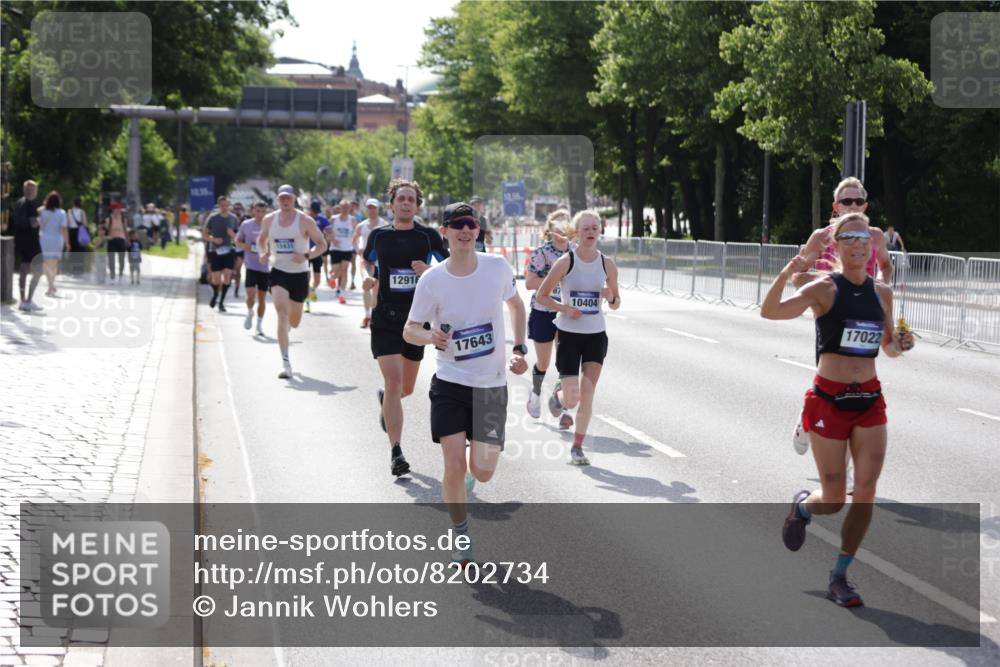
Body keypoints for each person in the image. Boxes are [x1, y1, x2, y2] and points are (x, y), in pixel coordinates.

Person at [762, 212, 915, 608]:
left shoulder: (882, 292)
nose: (860, 245)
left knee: (865, 492)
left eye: (865, 239)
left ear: (872, 246)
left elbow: (888, 348)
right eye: (850, 238)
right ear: (838, 245)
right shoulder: (823, 288)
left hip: (869, 401)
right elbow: (771, 311)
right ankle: (802, 506)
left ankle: (840, 576)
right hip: (828, 400)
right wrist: (787, 271)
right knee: (834, 498)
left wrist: (901, 343)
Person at [403, 201, 528, 566]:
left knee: (484, 471)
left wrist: (520, 348)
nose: (465, 230)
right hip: (450, 383)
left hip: (491, 385)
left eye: (471, 224)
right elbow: (410, 330)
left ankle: (472, 480)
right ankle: (460, 535)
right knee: (454, 464)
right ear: (444, 232)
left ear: (478, 230)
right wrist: (430, 338)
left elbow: (517, 306)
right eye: (457, 224)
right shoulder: (432, 279)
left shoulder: (496, 267)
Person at [790, 178, 893, 487]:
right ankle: (811, 414)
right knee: (832, 381)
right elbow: (798, 276)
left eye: (858, 202)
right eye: (846, 202)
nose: (853, 206)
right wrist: (823, 285)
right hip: (833, 311)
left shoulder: (875, 236)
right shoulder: (821, 237)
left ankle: (844, 461)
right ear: (835, 207)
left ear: (866, 206)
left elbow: (887, 266)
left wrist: (883, 288)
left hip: (865, 315)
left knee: (858, 388)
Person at [363, 179, 448, 477]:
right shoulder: (378, 236)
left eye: (411, 199)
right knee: (395, 383)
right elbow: (368, 261)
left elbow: (452, 268)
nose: (406, 203)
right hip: (385, 319)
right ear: (392, 204)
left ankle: (387, 402)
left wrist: (431, 271)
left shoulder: (427, 237)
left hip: (415, 321)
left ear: (417, 205)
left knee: (406, 389)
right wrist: (372, 280)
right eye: (401, 198)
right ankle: (396, 452)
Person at [535, 209, 621, 465]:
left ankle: (577, 447)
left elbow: (616, 302)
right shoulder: (566, 262)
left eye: (595, 227)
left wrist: (611, 297)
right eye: (586, 228)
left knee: (588, 393)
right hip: (570, 336)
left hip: (596, 335)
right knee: (572, 398)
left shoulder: (607, 264)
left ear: (600, 231)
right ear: (577, 232)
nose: (591, 232)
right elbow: (542, 295)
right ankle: (558, 396)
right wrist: (564, 308)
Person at [256, 185, 327, 379]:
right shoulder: (269, 220)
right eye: (282, 198)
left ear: (294, 198)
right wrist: (263, 253)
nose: (285, 201)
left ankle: (287, 326)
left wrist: (306, 255)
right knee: (281, 312)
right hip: (278, 271)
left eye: (288, 197)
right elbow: (261, 240)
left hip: (299, 274)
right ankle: (286, 362)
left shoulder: (305, 220)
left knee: (294, 322)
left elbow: (322, 244)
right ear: (278, 200)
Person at [524, 209, 573, 421]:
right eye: (557, 228)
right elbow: (529, 282)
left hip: (568, 313)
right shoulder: (542, 253)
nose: (562, 232)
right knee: (543, 363)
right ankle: (535, 393)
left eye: (565, 227)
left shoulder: (577, 252)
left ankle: (562, 404)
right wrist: (555, 280)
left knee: (566, 361)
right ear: (550, 231)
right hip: (543, 311)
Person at [235, 201, 270, 336]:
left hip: (265, 267)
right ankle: (250, 312)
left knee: (262, 298)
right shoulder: (246, 225)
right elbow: (237, 241)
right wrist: (246, 247)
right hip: (251, 265)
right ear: (252, 211)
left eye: (263, 212)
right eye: (257, 211)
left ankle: (259, 325)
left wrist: (269, 252)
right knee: (250, 295)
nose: (260, 214)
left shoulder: (270, 226)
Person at [352, 197, 386, 328]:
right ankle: (367, 315)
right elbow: (354, 240)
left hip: (380, 261)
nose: (371, 210)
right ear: (366, 209)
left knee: (376, 290)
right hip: (366, 261)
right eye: (369, 207)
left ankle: (373, 315)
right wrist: (358, 250)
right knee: (366, 286)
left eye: (374, 207)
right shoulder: (362, 225)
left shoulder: (384, 224)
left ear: (378, 209)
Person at [10, 180, 44, 311]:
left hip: (21, 241)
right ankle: (28, 299)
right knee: (39, 270)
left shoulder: (19, 202)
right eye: (33, 189)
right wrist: (39, 217)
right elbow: (31, 223)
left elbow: (18, 221)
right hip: (31, 242)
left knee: (24, 269)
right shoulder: (29, 204)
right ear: (31, 191)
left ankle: (23, 300)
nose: (34, 192)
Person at [204, 195, 240, 312]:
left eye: (226, 205)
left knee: (227, 276)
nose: (224, 207)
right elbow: (204, 235)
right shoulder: (213, 218)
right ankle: (215, 294)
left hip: (229, 250)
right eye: (222, 205)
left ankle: (221, 303)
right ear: (218, 206)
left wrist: (232, 235)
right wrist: (213, 240)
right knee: (216, 280)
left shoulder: (233, 218)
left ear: (229, 205)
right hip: (215, 251)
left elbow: (239, 238)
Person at [38, 191, 69, 298]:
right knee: (54, 264)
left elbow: (40, 225)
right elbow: (63, 228)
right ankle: (51, 285)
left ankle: (50, 285)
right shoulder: (62, 213)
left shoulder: (42, 211)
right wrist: (67, 242)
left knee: (46, 263)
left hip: (44, 239)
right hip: (57, 239)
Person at [327, 199, 357, 305]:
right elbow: (326, 230)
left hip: (347, 249)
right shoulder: (334, 219)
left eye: (347, 207)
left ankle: (342, 295)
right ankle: (332, 277)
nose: (345, 209)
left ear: (350, 208)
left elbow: (356, 233)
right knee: (336, 271)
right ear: (340, 208)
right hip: (335, 249)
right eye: (343, 207)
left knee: (344, 270)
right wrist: (332, 239)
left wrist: (355, 243)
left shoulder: (352, 220)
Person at [306, 200, 330, 313]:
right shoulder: (304, 219)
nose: (315, 214)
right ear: (310, 210)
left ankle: (312, 290)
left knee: (317, 280)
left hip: (317, 252)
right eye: (313, 211)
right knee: (306, 277)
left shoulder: (322, 219)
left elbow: (329, 230)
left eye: (317, 212)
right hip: (305, 252)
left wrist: (329, 235)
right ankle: (307, 301)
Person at [101, 203, 129, 282]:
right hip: (112, 239)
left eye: (119, 209)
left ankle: (120, 272)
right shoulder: (109, 219)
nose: (118, 211)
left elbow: (125, 230)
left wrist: (128, 240)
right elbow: (104, 229)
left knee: (121, 258)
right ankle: (112, 272)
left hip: (121, 239)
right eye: (116, 209)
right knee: (111, 258)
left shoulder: (123, 218)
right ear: (113, 210)